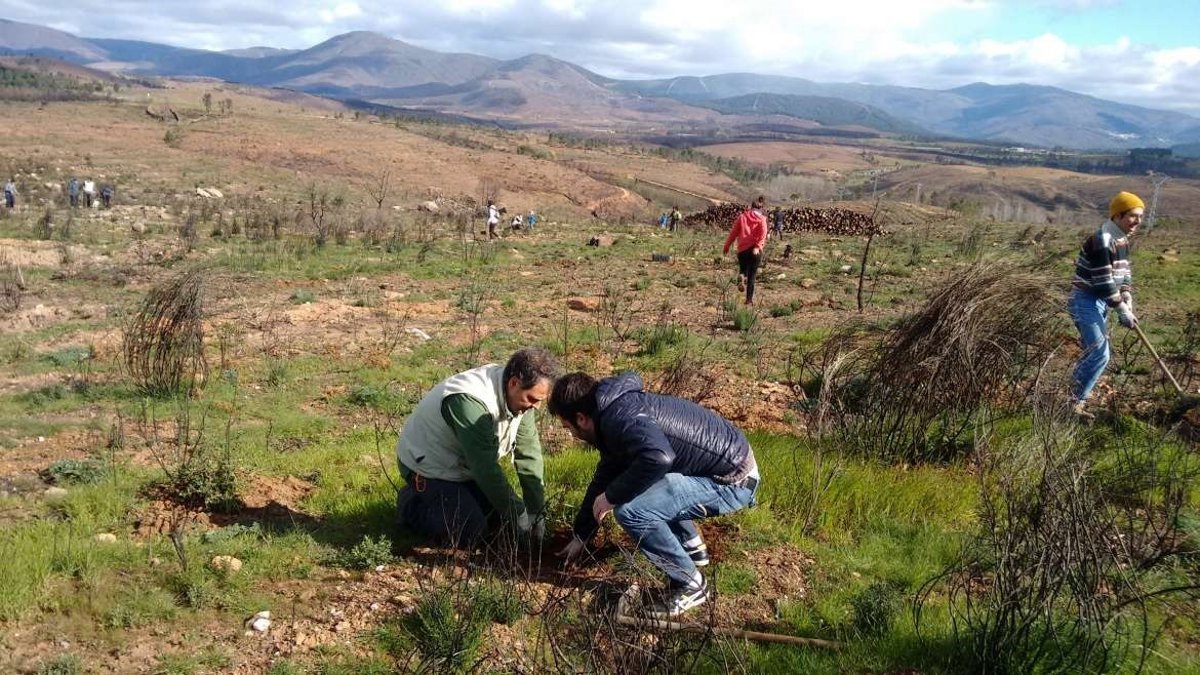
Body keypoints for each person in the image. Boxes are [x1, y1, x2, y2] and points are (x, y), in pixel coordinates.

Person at [551, 371, 759, 619]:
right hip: (723, 466)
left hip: (733, 481)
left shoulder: (619, 420)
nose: (572, 436)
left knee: (632, 511)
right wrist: (582, 534)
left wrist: (611, 498)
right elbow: (605, 477)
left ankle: (691, 585)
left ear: (581, 418)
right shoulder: (614, 411)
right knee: (639, 480)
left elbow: (659, 458)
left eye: (568, 428)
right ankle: (691, 547)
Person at [395, 348, 561, 547]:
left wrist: (535, 511)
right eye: (532, 399)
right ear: (514, 383)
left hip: (463, 465)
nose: (536, 407)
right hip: (429, 468)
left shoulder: (521, 399)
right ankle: (410, 503)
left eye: (540, 401)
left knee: (499, 522)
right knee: (470, 531)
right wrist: (517, 512)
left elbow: (528, 453)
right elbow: (485, 468)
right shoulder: (470, 403)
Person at [1068, 191, 1143, 419]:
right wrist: (1122, 310)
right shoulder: (1102, 240)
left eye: (1140, 216)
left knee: (1091, 353)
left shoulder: (1122, 239)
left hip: (1100, 301)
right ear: (1118, 215)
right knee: (1100, 354)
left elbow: (1124, 271)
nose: (1137, 221)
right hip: (1085, 300)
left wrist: (1127, 294)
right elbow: (1104, 283)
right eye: (1132, 216)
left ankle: (1071, 398)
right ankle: (1073, 403)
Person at [723, 195, 769, 305]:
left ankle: (742, 276)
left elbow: (733, 233)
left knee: (743, 269)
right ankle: (748, 300)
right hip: (755, 251)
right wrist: (757, 246)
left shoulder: (742, 217)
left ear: (751, 207)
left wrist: (726, 246)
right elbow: (763, 234)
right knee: (752, 276)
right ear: (761, 208)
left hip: (742, 250)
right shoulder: (762, 219)